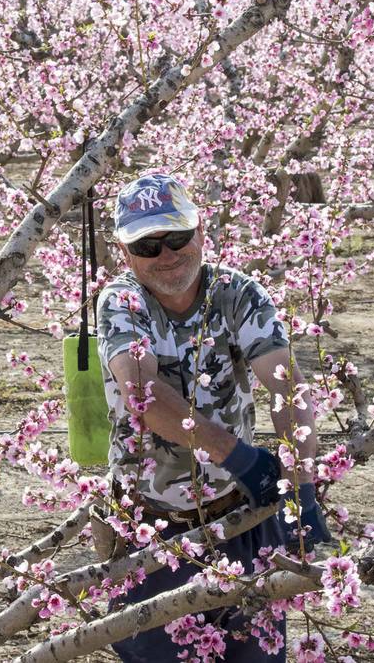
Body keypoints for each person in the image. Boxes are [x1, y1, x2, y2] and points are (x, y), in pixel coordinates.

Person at [96, 172, 331, 662]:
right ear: (126, 255)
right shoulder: (122, 303)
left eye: (177, 237)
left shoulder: (237, 294)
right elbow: (143, 393)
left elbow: (287, 386)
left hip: (240, 517)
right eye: (147, 246)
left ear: (200, 232)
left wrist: (301, 483)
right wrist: (238, 455)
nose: (167, 255)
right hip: (151, 530)